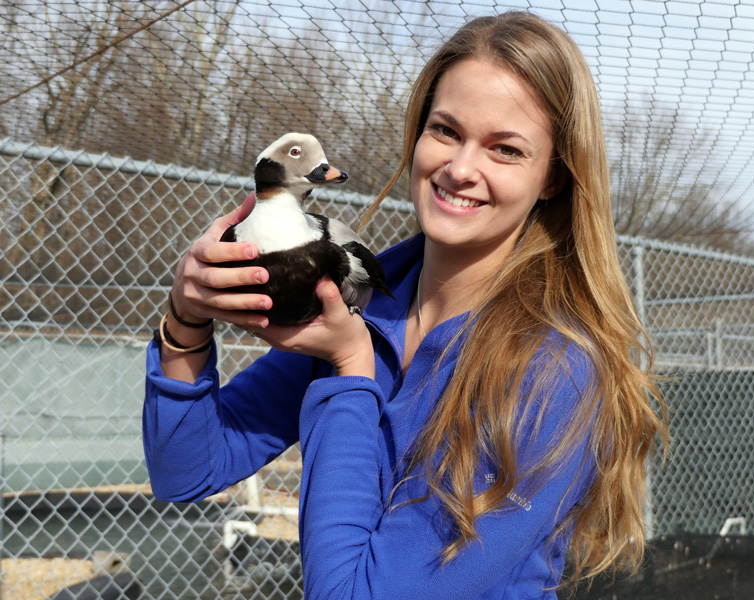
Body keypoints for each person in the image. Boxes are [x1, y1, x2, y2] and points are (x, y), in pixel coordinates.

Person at [143, 11, 668, 599]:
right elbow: (187, 469)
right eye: (446, 131)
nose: (462, 168)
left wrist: (349, 370)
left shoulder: (555, 371)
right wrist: (187, 321)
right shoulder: (363, 298)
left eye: (506, 149)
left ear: (553, 178)